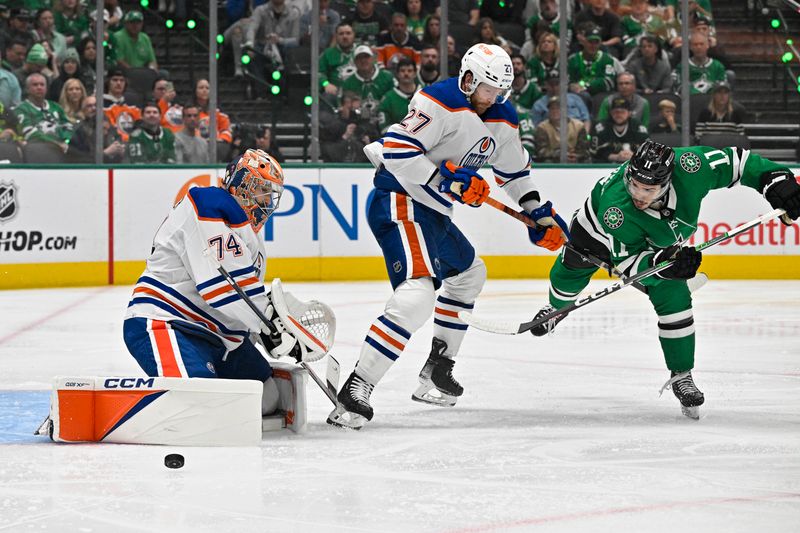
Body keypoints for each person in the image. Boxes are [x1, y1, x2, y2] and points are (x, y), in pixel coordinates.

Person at [328, 43, 567, 430]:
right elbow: (397, 150)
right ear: (469, 78)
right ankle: (358, 387)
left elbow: (513, 173)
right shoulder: (438, 100)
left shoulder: (502, 118)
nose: (495, 99)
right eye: (489, 90)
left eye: (502, 92)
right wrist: (445, 181)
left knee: (469, 274)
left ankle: (438, 366)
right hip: (399, 199)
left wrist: (536, 210)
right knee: (417, 294)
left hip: (434, 212)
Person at [527, 139, 800, 419]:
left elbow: (739, 162)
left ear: (668, 182)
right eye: (634, 184)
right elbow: (629, 265)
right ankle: (555, 308)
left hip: (653, 240)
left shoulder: (692, 166)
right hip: (594, 232)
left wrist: (774, 179)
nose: (639, 194)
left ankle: (681, 375)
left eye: (648, 189)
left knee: (674, 295)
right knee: (572, 267)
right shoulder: (617, 209)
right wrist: (660, 264)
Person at [123, 149, 296, 418]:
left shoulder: (253, 241)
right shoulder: (208, 201)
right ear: (240, 182)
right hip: (168, 324)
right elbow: (225, 290)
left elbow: (240, 310)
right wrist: (270, 326)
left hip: (221, 339)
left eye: (269, 194)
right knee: (200, 402)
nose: (265, 201)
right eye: (260, 189)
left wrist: (270, 334)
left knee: (268, 397)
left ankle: (207, 399)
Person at [66, 94, 126, 163]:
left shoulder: (110, 126)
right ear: (83, 110)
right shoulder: (78, 131)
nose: (94, 108)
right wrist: (104, 154)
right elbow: (77, 159)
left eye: (96, 105)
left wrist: (120, 152)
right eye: (89, 106)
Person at [534, 95, 590, 163]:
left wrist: (575, 156)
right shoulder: (542, 127)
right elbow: (541, 151)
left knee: (586, 160)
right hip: (553, 161)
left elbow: (584, 149)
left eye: (558, 108)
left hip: (575, 160)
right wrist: (559, 155)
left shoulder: (578, 126)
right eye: (552, 108)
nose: (555, 111)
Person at [590, 96, 648, 163]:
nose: (619, 115)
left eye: (622, 112)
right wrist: (616, 157)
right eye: (616, 112)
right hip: (606, 168)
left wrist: (633, 156)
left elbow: (646, 152)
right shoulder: (601, 128)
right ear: (610, 113)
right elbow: (595, 153)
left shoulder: (638, 127)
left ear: (629, 113)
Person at [377, 56, 419, 133]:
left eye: (409, 71)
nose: (406, 74)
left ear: (415, 73)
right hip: (397, 141)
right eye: (402, 71)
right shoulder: (388, 99)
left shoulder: (425, 94)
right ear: (397, 74)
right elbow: (384, 128)